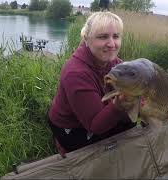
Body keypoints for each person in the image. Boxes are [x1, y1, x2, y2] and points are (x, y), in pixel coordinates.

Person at [48, 12, 135, 154]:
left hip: (96, 110)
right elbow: (95, 126)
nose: (112, 44)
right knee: (102, 144)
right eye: (103, 37)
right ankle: (61, 144)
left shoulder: (112, 61)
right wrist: (118, 106)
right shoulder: (76, 73)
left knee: (130, 123)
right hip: (70, 125)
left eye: (116, 36)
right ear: (86, 39)